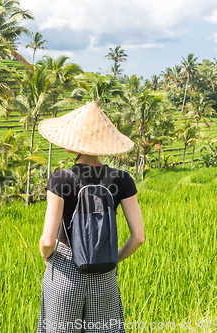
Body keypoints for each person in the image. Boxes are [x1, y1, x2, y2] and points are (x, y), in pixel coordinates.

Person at [36, 101, 145, 333]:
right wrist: (111, 259)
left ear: (72, 143)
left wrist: (49, 258)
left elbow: (47, 241)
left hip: (64, 272)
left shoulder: (60, 179)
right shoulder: (122, 179)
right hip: (105, 275)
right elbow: (138, 237)